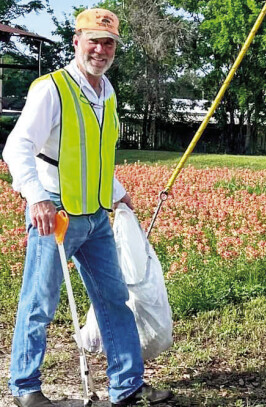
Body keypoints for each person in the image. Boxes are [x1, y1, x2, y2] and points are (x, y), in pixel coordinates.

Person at [3, 8, 173, 407]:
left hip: (96, 215)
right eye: (93, 40)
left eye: (109, 42)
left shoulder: (107, 92)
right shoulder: (52, 88)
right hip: (56, 213)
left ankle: (126, 386)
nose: (101, 49)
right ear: (76, 40)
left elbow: (90, 154)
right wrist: (37, 198)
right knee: (39, 303)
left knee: (114, 300)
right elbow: (18, 147)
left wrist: (117, 191)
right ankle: (25, 389)